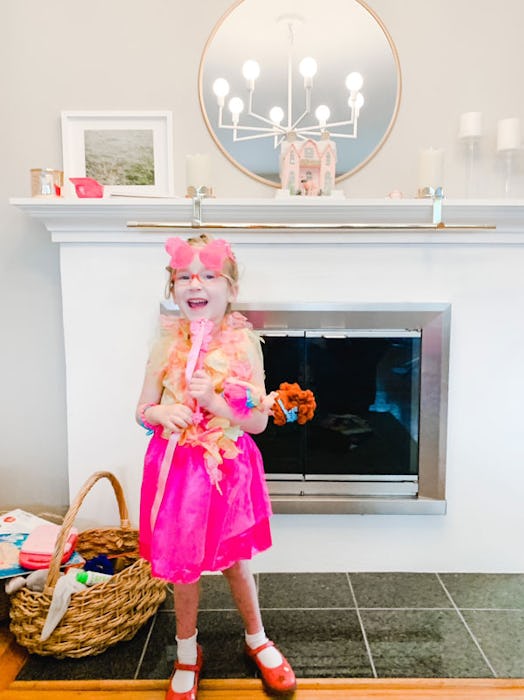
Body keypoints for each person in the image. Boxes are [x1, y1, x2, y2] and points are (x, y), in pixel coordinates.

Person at [136, 234, 297, 700]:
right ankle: (187, 651)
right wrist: (161, 414)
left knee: (235, 562)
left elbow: (260, 421)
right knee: (184, 570)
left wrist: (214, 403)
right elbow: (142, 408)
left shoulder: (244, 345)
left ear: (230, 289)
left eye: (208, 276)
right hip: (178, 472)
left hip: (227, 468)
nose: (195, 285)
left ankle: (256, 639)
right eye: (184, 277)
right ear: (173, 288)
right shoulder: (165, 345)